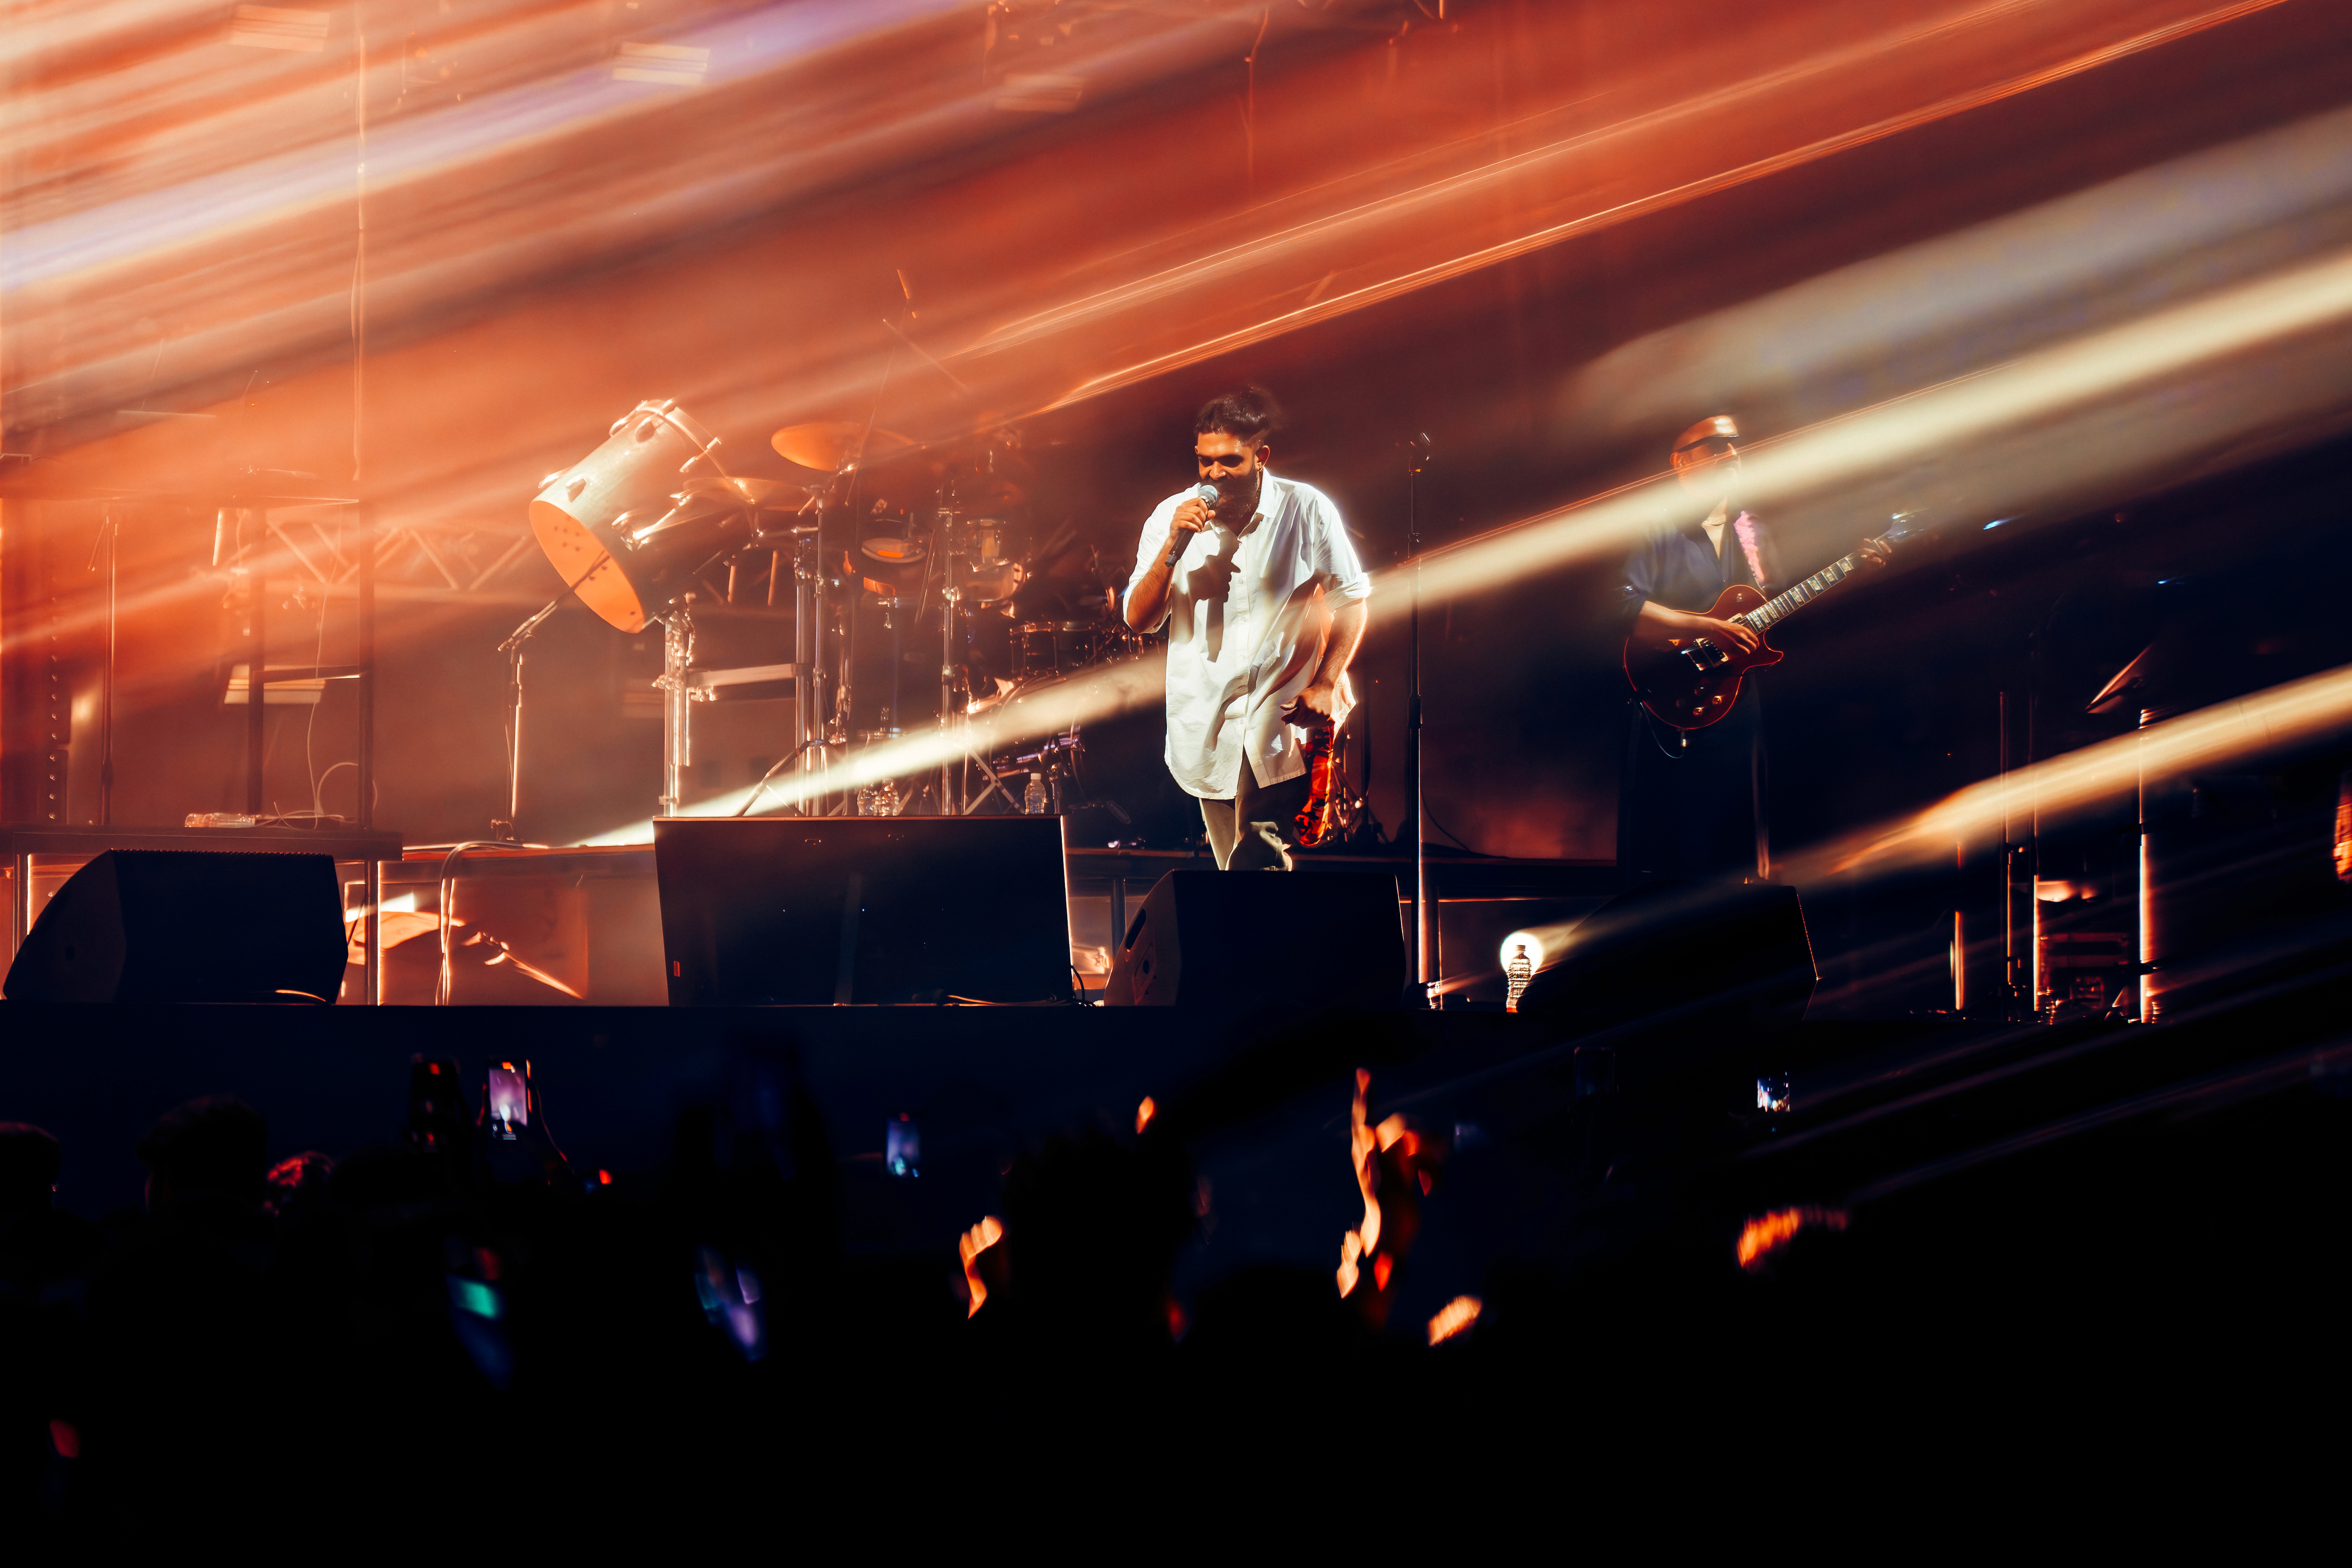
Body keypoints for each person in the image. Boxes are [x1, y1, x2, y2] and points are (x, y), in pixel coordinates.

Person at [1617, 415, 1887, 885]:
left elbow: (1783, 609)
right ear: (1682, 463)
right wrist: (1707, 627)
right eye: (1717, 446)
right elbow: (1624, 608)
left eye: (1736, 446)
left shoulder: (1753, 529)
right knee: (1675, 850)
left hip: (1738, 704)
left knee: (1741, 847)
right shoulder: (1654, 524)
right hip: (1669, 695)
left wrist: (1853, 575)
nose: (1733, 455)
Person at [1122, 388, 1372, 870]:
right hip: (1209, 721)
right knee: (1235, 876)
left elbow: (1353, 602)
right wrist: (1173, 546)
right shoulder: (1169, 518)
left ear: (1263, 457)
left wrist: (1325, 682)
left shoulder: (1306, 509)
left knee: (1258, 859)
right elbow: (1140, 619)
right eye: (1205, 463)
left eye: (1230, 462)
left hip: (1280, 714)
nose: (1214, 476)